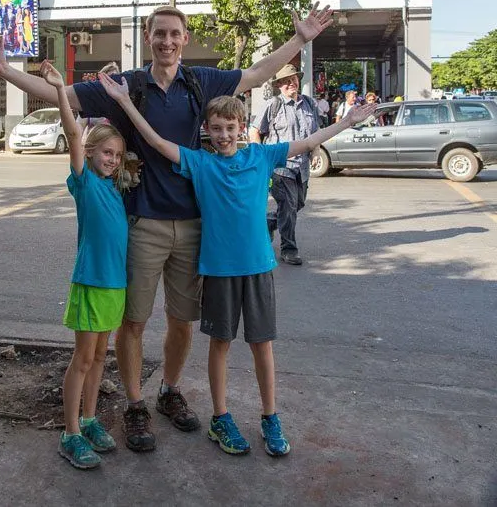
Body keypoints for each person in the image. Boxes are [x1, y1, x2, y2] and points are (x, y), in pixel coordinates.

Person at [0, 1, 333, 452]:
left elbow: (255, 74)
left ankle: (169, 390)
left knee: (181, 321)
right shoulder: (127, 86)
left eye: (175, 33)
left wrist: (299, 40)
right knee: (133, 323)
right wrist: (5, 70)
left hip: (193, 226)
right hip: (141, 223)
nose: (168, 41)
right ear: (147, 36)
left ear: (185, 38)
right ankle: (135, 403)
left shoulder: (199, 81)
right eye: (160, 33)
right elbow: (60, 97)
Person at [99, 72, 375, 457]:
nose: (224, 135)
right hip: (219, 271)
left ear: (242, 127)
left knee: (262, 345)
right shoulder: (199, 163)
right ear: (206, 132)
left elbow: (309, 141)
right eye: (216, 129)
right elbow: (157, 142)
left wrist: (346, 121)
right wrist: (126, 103)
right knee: (221, 344)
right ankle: (221, 417)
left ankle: (270, 416)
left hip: (259, 267)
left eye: (230, 127)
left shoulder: (261, 157)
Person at [39, 59, 128, 471]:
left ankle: (90, 420)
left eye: (117, 155)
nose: (111, 159)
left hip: (115, 287)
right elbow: (74, 133)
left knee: (101, 358)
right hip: (90, 283)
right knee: (84, 359)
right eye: (105, 153)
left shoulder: (114, 189)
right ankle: (70, 433)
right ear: (90, 153)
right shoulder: (85, 182)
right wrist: (61, 90)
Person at [249, 64, 319, 266]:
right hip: (280, 167)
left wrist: (314, 151)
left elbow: (315, 134)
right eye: (286, 80)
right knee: (288, 206)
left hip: (302, 167)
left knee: (298, 204)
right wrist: (258, 155)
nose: (291, 83)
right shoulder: (273, 105)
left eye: (294, 78)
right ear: (279, 85)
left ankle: (267, 222)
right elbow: (255, 130)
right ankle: (289, 249)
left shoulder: (309, 104)